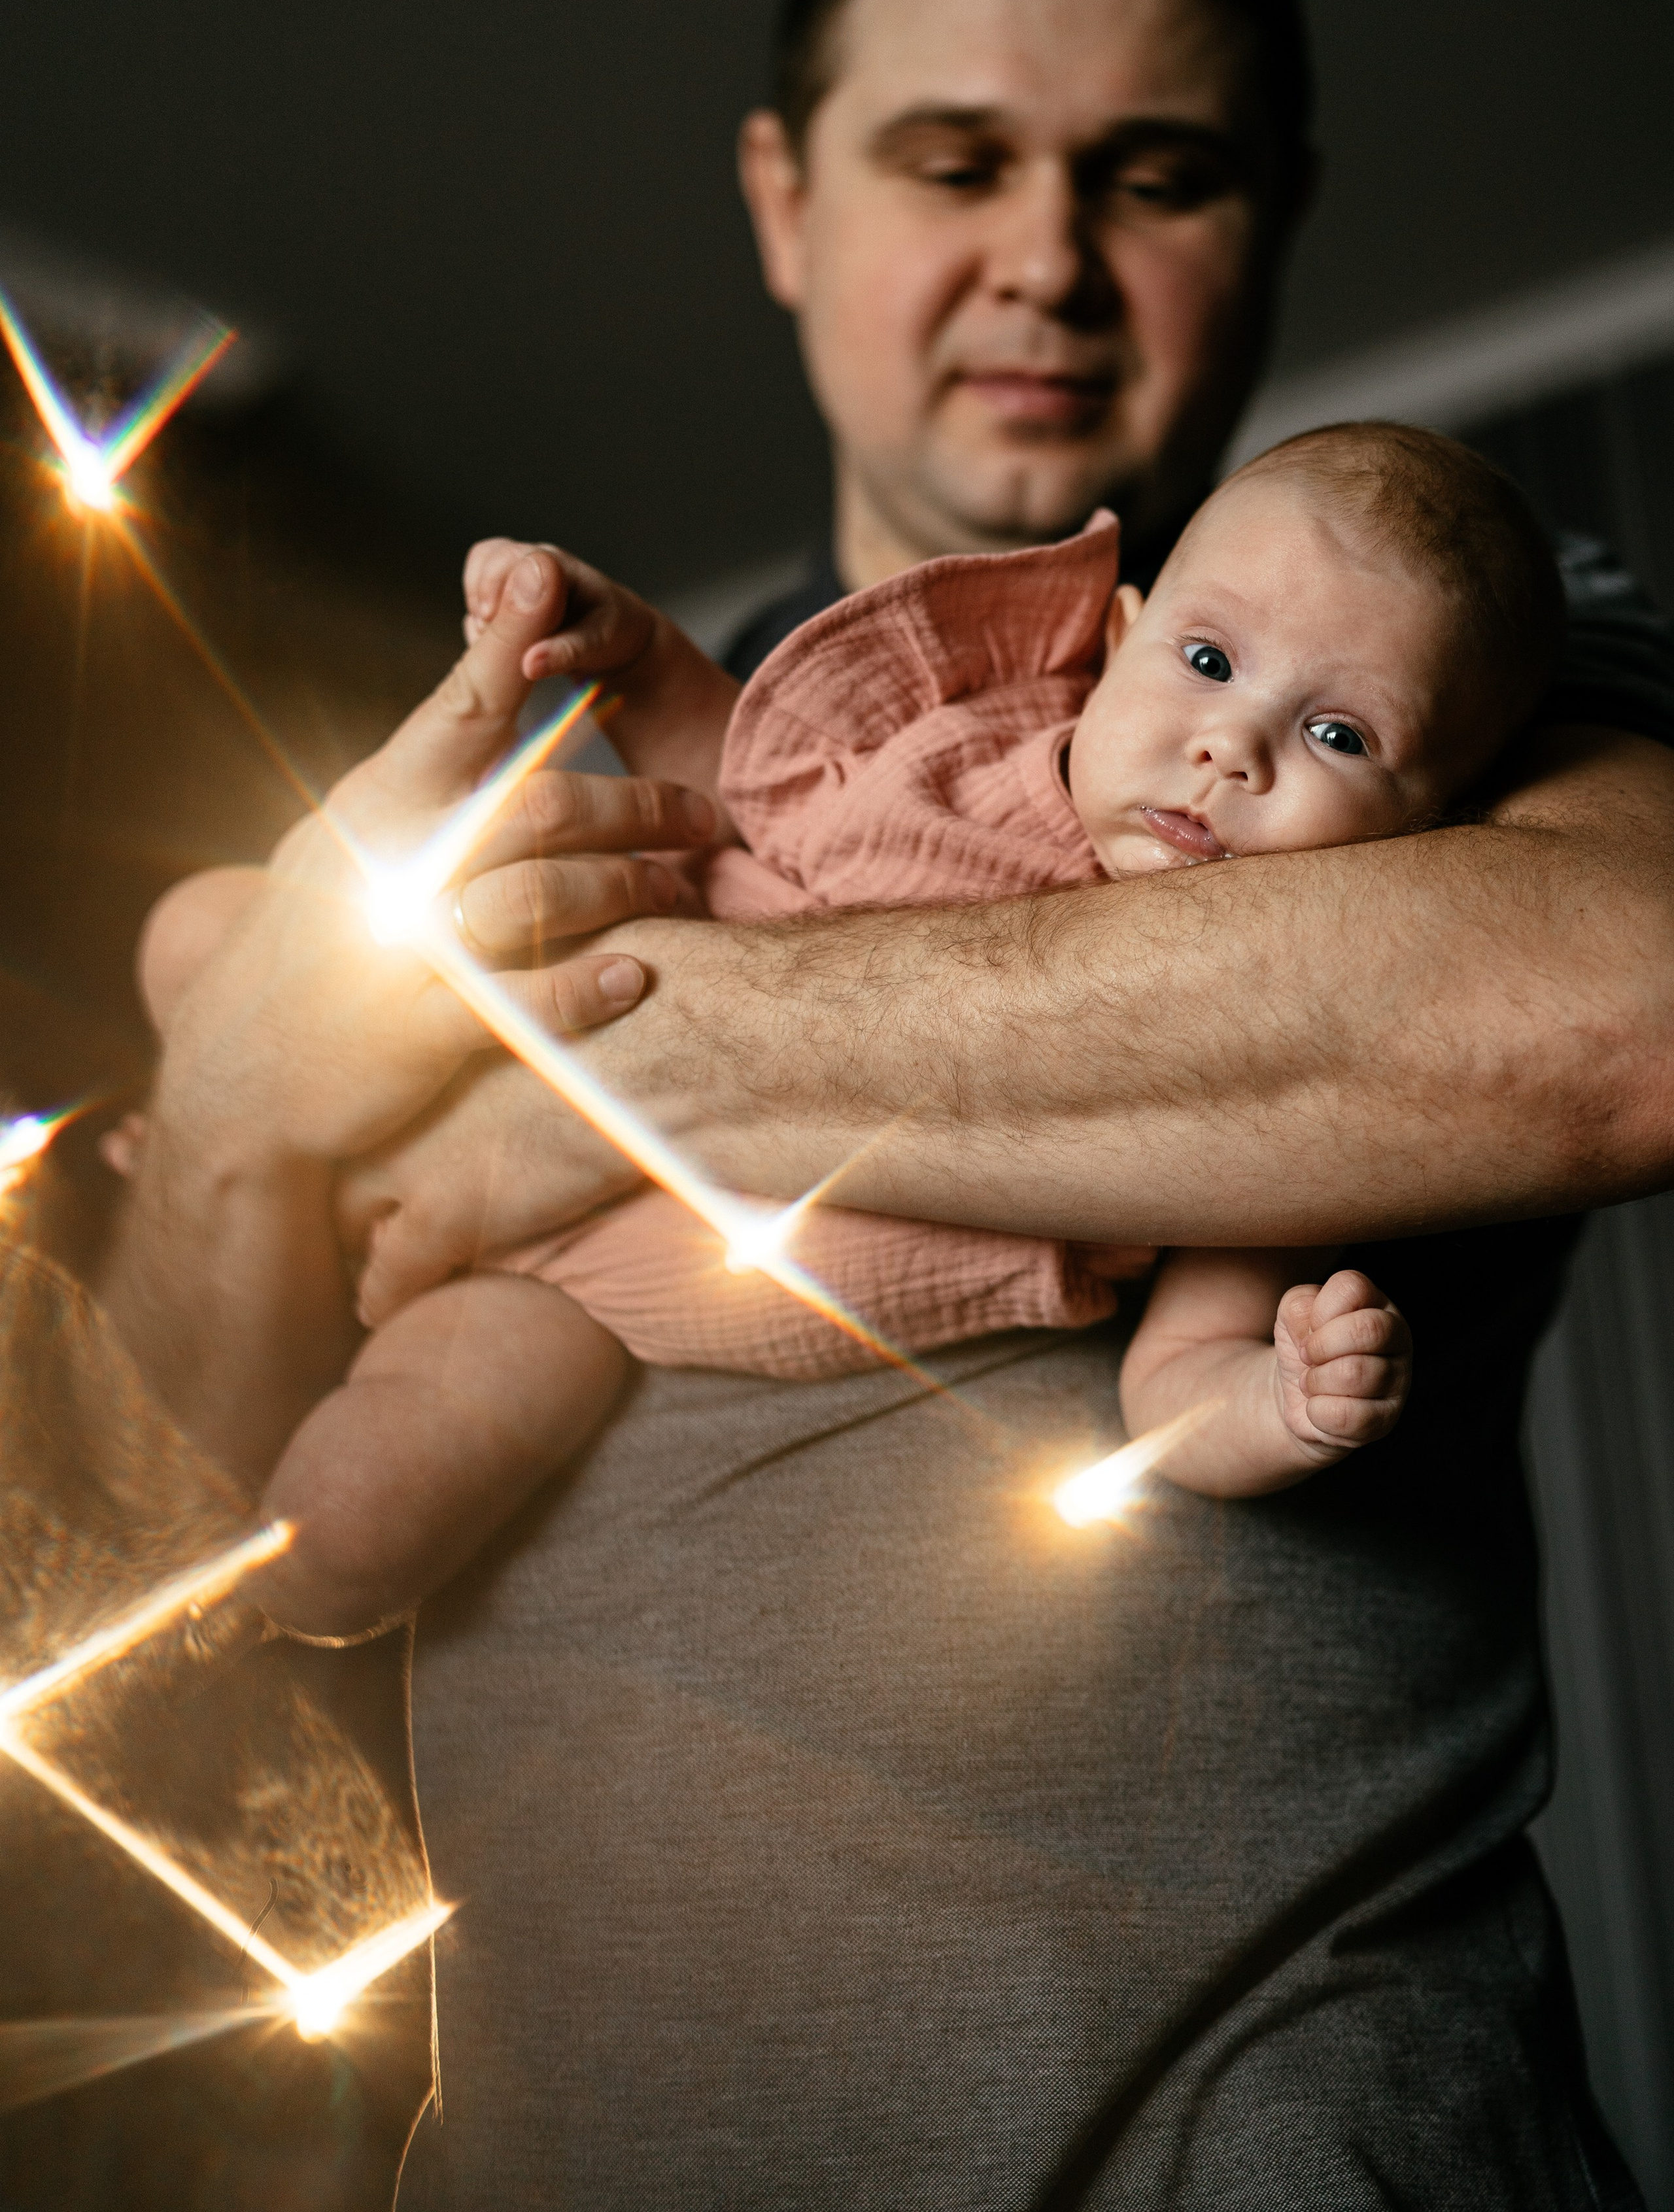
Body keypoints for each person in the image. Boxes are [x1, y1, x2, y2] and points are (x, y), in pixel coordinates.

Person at [101, 0, 1674, 2212]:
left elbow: (1629, 1001)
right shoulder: (609, 770)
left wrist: (592, 1068)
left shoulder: (1480, 636)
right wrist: (233, 1120)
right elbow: (178, 1588)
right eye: (955, 161)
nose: (1045, 256)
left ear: (1274, 213)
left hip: (1256, 2201)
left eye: (1154, 172)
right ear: (785, 199)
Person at [132, 419, 1564, 1641]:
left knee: (346, 1537)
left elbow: (1172, 1384)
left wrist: (1283, 1405)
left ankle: (197, 1594)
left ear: (1425, 833)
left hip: (583, 1303)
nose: (1230, 747)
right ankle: (214, 1171)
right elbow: (750, 782)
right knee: (200, 931)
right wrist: (628, 652)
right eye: (1205, 659)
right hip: (524, 1017)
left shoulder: (1254, 1069)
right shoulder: (967, 745)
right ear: (1117, 637)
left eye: (1338, 737)